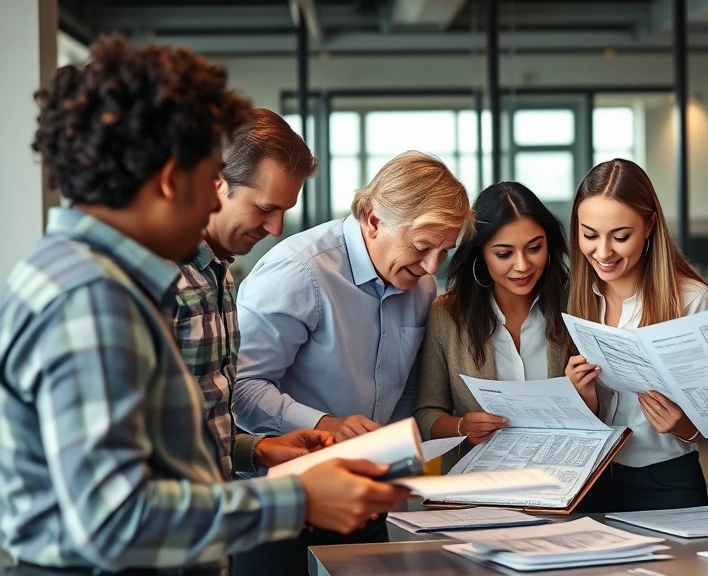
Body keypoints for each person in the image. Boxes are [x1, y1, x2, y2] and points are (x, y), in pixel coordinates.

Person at [0, 35, 408, 576]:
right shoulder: (92, 298)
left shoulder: (88, 275)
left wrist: (251, 451)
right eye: (207, 182)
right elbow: (113, 521)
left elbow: (142, 455)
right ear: (172, 179)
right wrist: (302, 500)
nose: (212, 202)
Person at [231, 151, 473, 565]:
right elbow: (242, 388)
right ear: (374, 220)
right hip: (286, 505)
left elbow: (404, 391)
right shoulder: (298, 271)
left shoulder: (422, 286)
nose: (432, 266)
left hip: (367, 505)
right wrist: (326, 424)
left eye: (443, 252)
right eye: (421, 246)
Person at [169, 108, 324, 482]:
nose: (276, 228)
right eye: (266, 209)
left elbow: (193, 422)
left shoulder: (218, 272)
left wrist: (253, 448)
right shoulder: (157, 275)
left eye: (284, 211)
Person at [564, 159, 708, 512]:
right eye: (589, 235)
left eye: (620, 237)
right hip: (590, 478)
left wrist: (683, 426)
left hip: (667, 482)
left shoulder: (692, 300)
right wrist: (581, 398)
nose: (603, 253)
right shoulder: (578, 295)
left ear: (649, 225)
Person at [414, 182, 569, 470]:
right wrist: (462, 426)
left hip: (562, 482)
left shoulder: (573, 307)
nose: (522, 265)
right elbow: (426, 413)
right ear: (481, 254)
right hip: (479, 488)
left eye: (534, 248)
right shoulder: (446, 316)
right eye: (504, 254)